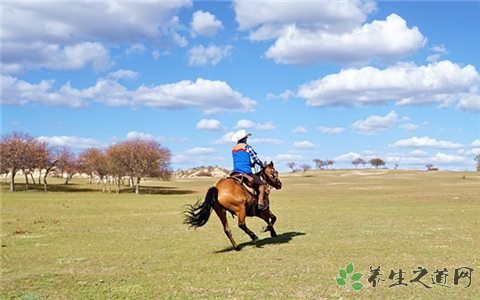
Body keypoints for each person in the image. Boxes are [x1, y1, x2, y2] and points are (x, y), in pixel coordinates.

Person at [231, 129, 268, 211]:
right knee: (261, 185)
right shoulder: (247, 147)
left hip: (235, 172)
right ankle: (260, 203)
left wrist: (251, 164)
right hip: (246, 172)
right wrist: (262, 165)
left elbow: (240, 160)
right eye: (246, 137)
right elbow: (256, 159)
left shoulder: (233, 148)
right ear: (244, 139)